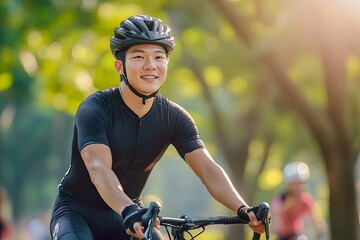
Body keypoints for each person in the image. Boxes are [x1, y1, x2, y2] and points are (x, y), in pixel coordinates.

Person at [49, 14, 266, 240]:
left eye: (158, 57)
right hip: (77, 213)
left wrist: (243, 209)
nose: (150, 65)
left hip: (132, 214)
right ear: (119, 66)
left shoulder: (175, 118)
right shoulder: (96, 108)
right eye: (139, 56)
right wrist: (128, 209)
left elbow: (208, 170)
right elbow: (98, 169)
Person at [271, 162, 326, 240]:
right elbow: (275, 212)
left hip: (295, 235)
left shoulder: (305, 199)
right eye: (295, 183)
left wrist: (319, 228)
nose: (298, 186)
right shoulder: (281, 198)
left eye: (300, 183)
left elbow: (314, 217)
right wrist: (288, 204)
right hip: (280, 236)